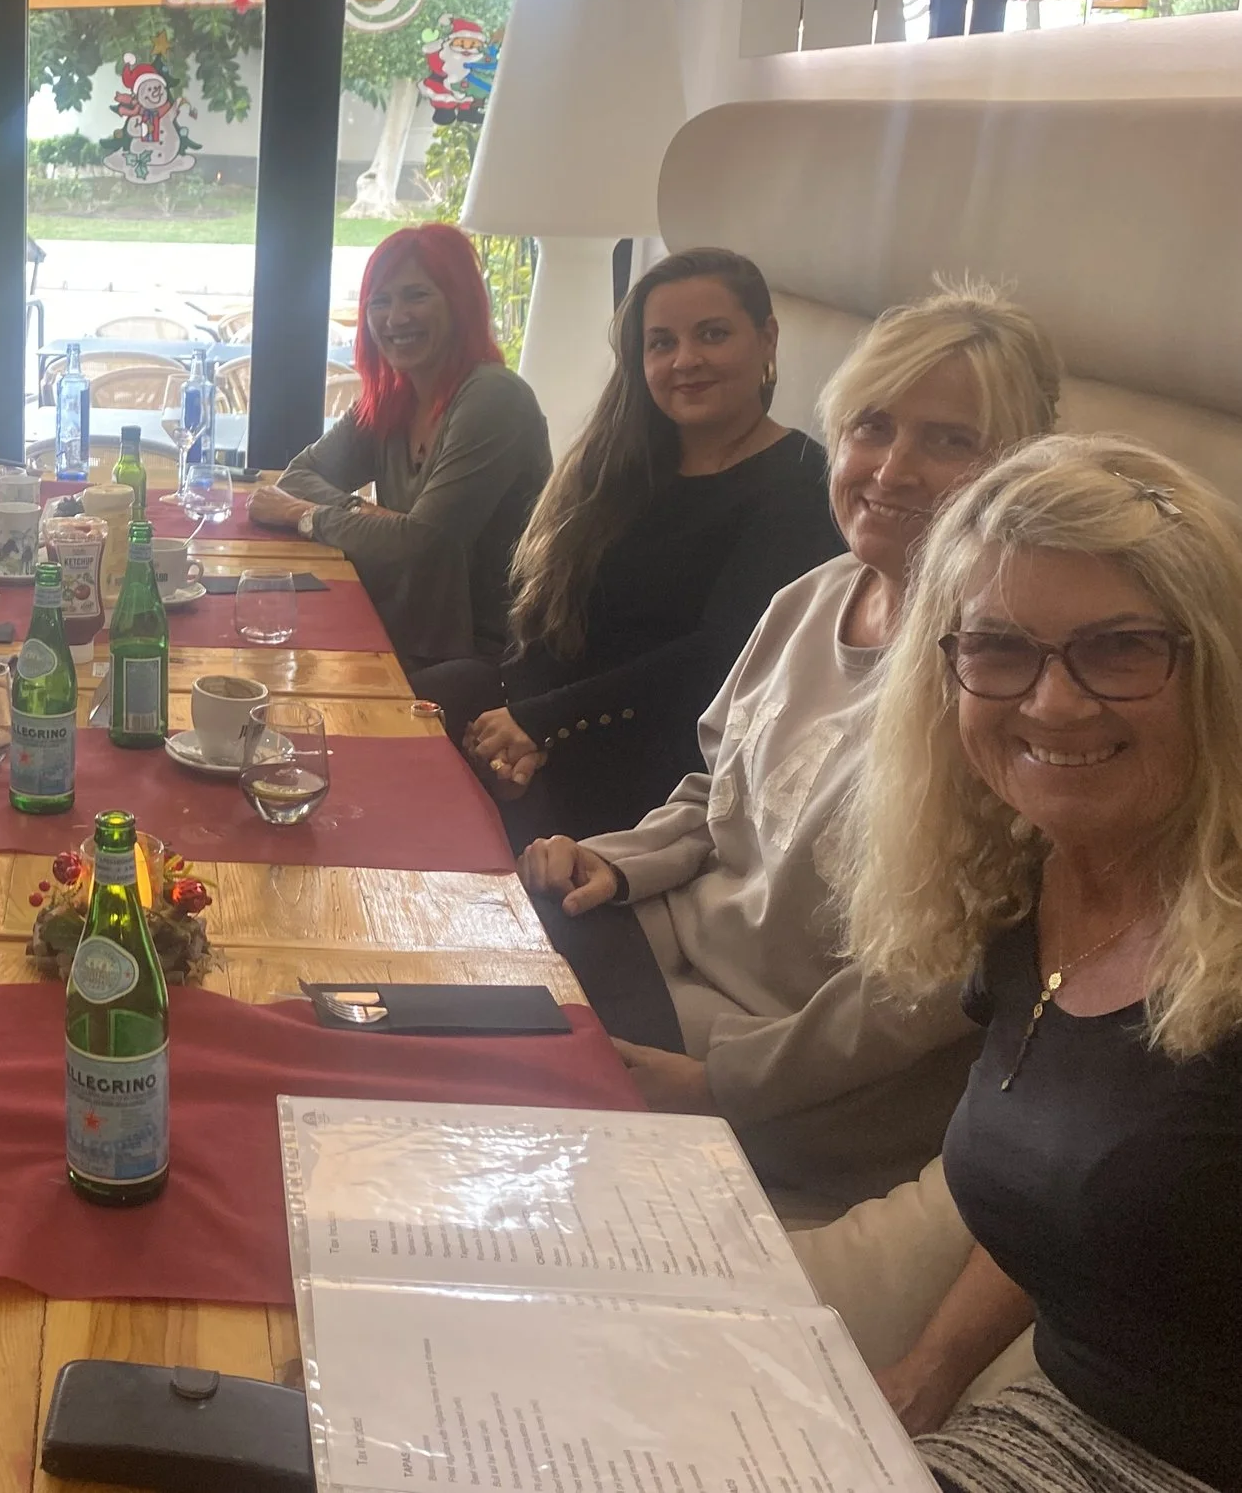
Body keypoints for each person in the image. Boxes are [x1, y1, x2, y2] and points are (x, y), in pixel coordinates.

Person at [518, 288, 1062, 1215]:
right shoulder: (813, 596)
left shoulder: (1003, 681)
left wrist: (716, 1085)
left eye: (949, 440)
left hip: (783, 1065)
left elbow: (927, 984)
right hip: (667, 957)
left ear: (1017, 469)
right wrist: (616, 859)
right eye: (872, 427)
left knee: (487, 1067)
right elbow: (713, 787)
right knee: (472, 954)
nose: (891, 469)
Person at [840, 436, 1242, 1493]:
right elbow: (1078, 1194)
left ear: (1217, 666)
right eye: (1000, 647)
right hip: (1049, 1425)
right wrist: (929, 1373)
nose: (1054, 704)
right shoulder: (1025, 892)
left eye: (1121, 648)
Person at [423, 246, 845, 850]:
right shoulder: (621, 465)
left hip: (663, 765)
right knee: (399, 714)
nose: (685, 360)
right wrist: (519, 732)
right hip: (549, 733)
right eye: (661, 343)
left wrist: (543, 723)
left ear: (767, 339)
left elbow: (719, 658)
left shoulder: (803, 484)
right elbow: (545, 609)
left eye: (713, 334)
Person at [249, 223, 551, 671]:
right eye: (380, 301)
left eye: (416, 296)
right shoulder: (392, 398)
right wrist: (372, 516)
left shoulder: (493, 396)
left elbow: (421, 545)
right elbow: (298, 477)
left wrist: (306, 515)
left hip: (487, 657)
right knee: (263, 647)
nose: (395, 318)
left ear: (460, 303)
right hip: (403, 628)